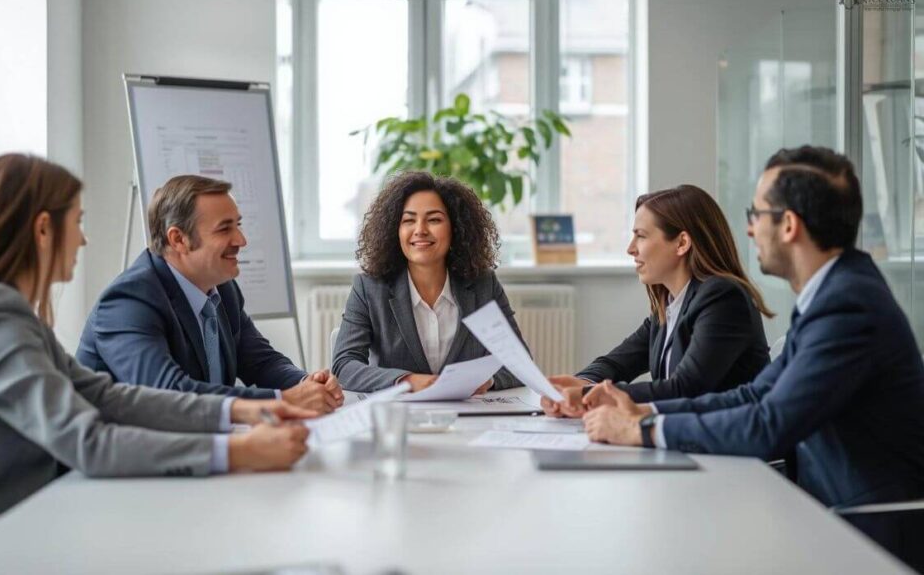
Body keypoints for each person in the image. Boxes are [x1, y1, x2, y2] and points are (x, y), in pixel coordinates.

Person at [0, 155, 313, 570]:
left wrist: (244, 408)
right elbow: (89, 442)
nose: (82, 240)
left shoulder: (9, 313)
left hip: (23, 520)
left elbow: (107, 396)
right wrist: (238, 450)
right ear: (43, 229)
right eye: (77, 222)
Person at [579, 146, 924, 561]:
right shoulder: (832, 294)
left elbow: (768, 424)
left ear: (789, 226)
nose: (748, 230)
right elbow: (753, 396)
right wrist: (645, 417)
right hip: (821, 508)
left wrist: (643, 430)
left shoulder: (847, 306)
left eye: (756, 216)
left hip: (865, 529)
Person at [77, 175, 343, 413]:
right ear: (178, 239)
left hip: (193, 441)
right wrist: (283, 400)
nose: (241, 240)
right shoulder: (129, 301)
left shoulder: (223, 288)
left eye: (238, 225)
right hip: (120, 458)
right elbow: (169, 393)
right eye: (224, 229)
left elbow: (260, 362)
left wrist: (305, 383)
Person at [542, 185, 772, 411]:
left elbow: (685, 388)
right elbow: (616, 363)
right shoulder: (670, 304)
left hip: (726, 445)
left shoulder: (723, 299)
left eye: (641, 236)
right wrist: (581, 383)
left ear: (682, 243)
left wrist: (588, 396)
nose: (631, 249)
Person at [333, 171, 526, 392]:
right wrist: (406, 381)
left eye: (434, 220)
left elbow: (519, 363)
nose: (420, 230)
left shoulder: (484, 285)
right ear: (395, 230)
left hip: (469, 419)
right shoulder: (368, 289)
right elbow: (344, 365)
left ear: (456, 228)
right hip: (399, 418)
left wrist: (486, 381)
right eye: (409, 220)